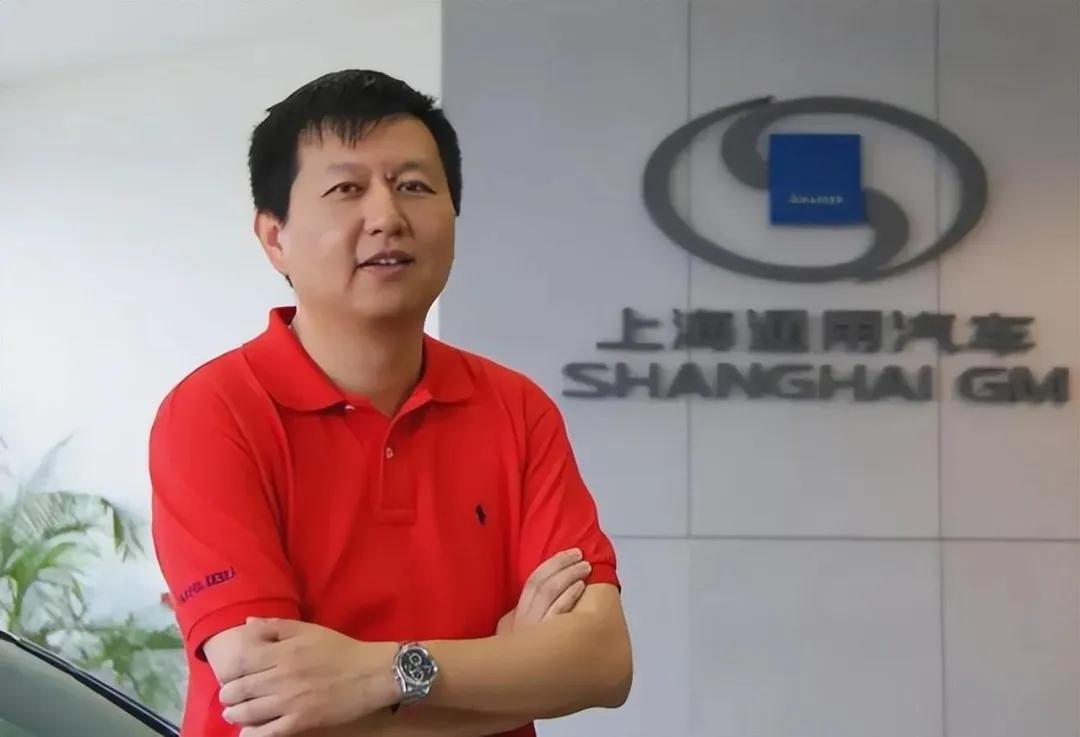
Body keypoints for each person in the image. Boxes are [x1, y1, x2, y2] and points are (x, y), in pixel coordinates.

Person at [149, 69, 632, 737]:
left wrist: (376, 676)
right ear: (274, 237)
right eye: (347, 189)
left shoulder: (517, 410)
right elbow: (276, 705)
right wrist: (511, 671)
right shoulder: (213, 412)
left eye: (414, 186)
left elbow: (603, 662)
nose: (387, 217)